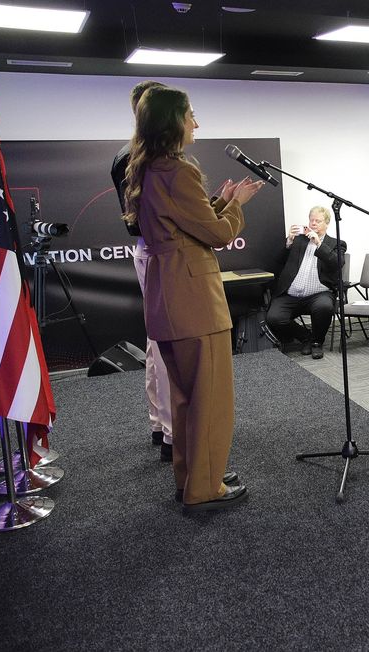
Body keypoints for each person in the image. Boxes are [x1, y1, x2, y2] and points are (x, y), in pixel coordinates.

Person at [123, 85, 264, 511]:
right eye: (190, 116)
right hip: (194, 300)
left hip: (168, 296)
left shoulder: (147, 168)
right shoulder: (179, 172)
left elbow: (186, 224)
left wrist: (220, 199)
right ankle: (205, 487)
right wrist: (237, 205)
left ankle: (193, 477)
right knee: (211, 397)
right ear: (173, 122)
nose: (196, 123)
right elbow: (217, 234)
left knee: (186, 396)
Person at [110, 79, 173, 459]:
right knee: (168, 344)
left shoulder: (132, 153)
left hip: (151, 251)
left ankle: (160, 424)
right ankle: (171, 433)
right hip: (160, 253)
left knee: (156, 342)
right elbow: (149, 220)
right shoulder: (142, 156)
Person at [264, 206, 347, 359]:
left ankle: (316, 343)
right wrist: (289, 242)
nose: (313, 223)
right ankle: (306, 336)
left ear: (327, 223)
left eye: (318, 221)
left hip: (318, 294)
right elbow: (278, 261)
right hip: (291, 294)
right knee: (273, 318)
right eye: (311, 220)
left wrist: (319, 244)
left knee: (324, 306)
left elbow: (337, 263)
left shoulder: (336, 243)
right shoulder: (299, 240)